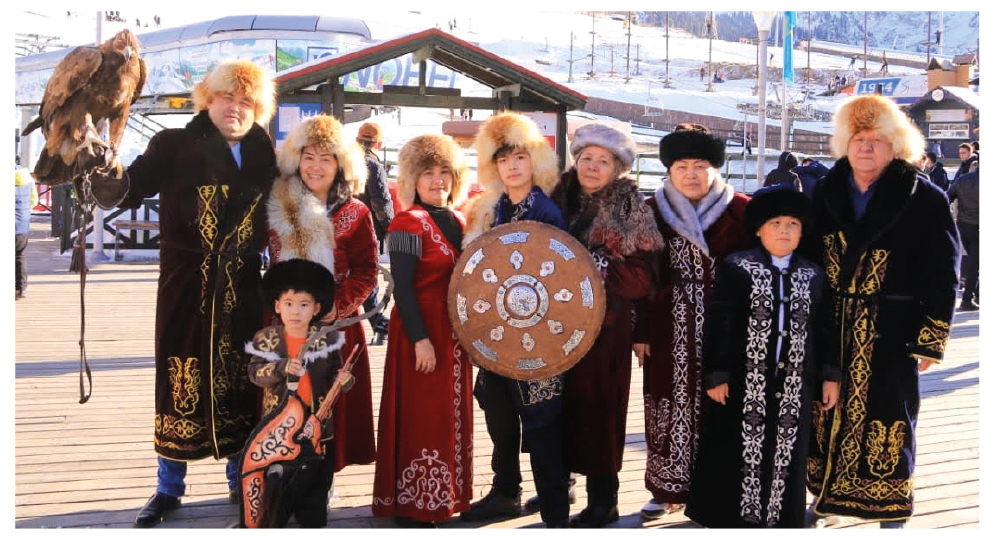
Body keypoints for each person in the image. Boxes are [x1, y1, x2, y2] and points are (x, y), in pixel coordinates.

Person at [85, 60, 278, 527]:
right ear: (208, 99)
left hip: (242, 289)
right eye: (227, 97)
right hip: (185, 286)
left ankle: (239, 479)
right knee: (178, 380)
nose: (235, 108)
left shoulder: (264, 153)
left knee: (242, 382)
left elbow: (294, 204)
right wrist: (100, 166)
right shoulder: (171, 144)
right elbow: (127, 188)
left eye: (246, 101)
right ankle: (168, 488)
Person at [803, 95, 960, 529]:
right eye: (858, 139)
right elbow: (808, 257)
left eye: (876, 139)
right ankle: (824, 499)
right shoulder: (826, 191)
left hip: (893, 330)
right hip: (833, 326)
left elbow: (945, 270)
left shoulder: (923, 197)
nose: (866, 147)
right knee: (825, 412)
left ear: (896, 145)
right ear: (845, 143)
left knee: (890, 416)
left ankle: (889, 508)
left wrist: (932, 338)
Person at [684, 186, 841, 528]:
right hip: (744, 382)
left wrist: (830, 375)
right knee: (736, 449)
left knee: (787, 450)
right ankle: (734, 522)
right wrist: (717, 374)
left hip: (795, 385)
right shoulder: (737, 267)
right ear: (758, 229)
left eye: (792, 224)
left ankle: (781, 521)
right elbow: (720, 322)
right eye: (775, 223)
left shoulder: (813, 274)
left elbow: (825, 327)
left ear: (802, 231)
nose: (784, 231)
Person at [634, 123, 753, 520]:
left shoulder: (741, 211)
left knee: (723, 404)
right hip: (667, 326)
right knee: (667, 405)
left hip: (728, 326)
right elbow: (640, 275)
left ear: (715, 168)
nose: (691, 174)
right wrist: (640, 331)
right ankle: (666, 487)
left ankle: (717, 491)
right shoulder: (651, 212)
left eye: (700, 165)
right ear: (669, 170)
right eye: (681, 166)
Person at [458, 112, 569, 527]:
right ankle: (506, 491)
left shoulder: (546, 211)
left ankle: (556, 512)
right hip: (496, 332)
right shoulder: (490, 209)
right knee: (500, 416)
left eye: (520, 157)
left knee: (541, 423)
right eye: (504, 160)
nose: (512, 166)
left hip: (539, 336)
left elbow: (561, 275)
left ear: (533, 160)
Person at [549, 123, 662, 527]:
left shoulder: (631, 210)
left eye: (603, 161)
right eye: (587, 158)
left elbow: (643, 277)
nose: (593, 167)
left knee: (601, 411)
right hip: (553, 324)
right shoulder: (555, 199)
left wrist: (586, 267)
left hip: (605, 325)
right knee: (555, 408)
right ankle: (557, 485)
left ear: (617, 169)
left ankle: (604, 500)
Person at [267, 115, 379, 489]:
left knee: (330, 408)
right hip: (286, 325)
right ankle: (283, 483)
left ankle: (321, 486)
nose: (315, 166)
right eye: (308, 156)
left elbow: (367, 272)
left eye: (325, 158)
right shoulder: (278, 206)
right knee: (285, 404)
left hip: (336, 328)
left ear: (340, 164)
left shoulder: (357, 213)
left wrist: (336, 306)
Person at [371, 134, 473, 527]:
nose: (437, 180)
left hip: (454, 335)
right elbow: (403, 289)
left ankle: (445, 497)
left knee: (449, 416)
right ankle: (414, 505)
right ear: (413, 178)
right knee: (422, 417)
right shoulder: (406, 222)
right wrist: (420, 340)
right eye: (428, 172)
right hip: (420, 331)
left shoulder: (462, 220)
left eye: (444, 172)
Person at [245, 258, 351, 528]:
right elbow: (255, 373)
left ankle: (312, 512)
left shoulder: (327, 338)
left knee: (316, 485)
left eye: (304, 305)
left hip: (317, 426)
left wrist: (345, 380)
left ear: (316, 308)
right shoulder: (266, 338)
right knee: (278, 491)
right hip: (279, 429)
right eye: (289, 304)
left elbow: (337, 374)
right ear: (277, 306)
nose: (295, 311)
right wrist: (281, 367)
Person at [355, 121, 394, 344]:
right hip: (367, 231)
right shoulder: (373, 165)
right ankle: (380, 324)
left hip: (343, 229)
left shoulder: (347, 160)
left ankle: (379, 323)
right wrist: (390, 229)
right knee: (368, 278)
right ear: (378, 143)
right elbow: (381, 202)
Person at [949, 161, 978, 310]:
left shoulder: (963, 179)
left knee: (974, 262)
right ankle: (967, 299)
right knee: (975, 264)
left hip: (964, 225)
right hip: (977, 225)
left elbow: (947, 197)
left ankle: (975, 293)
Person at [14, 166, 36, 300]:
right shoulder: (28, 178)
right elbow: (34, 201)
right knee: (19, 256)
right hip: (22, 226)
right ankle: (21, 288)